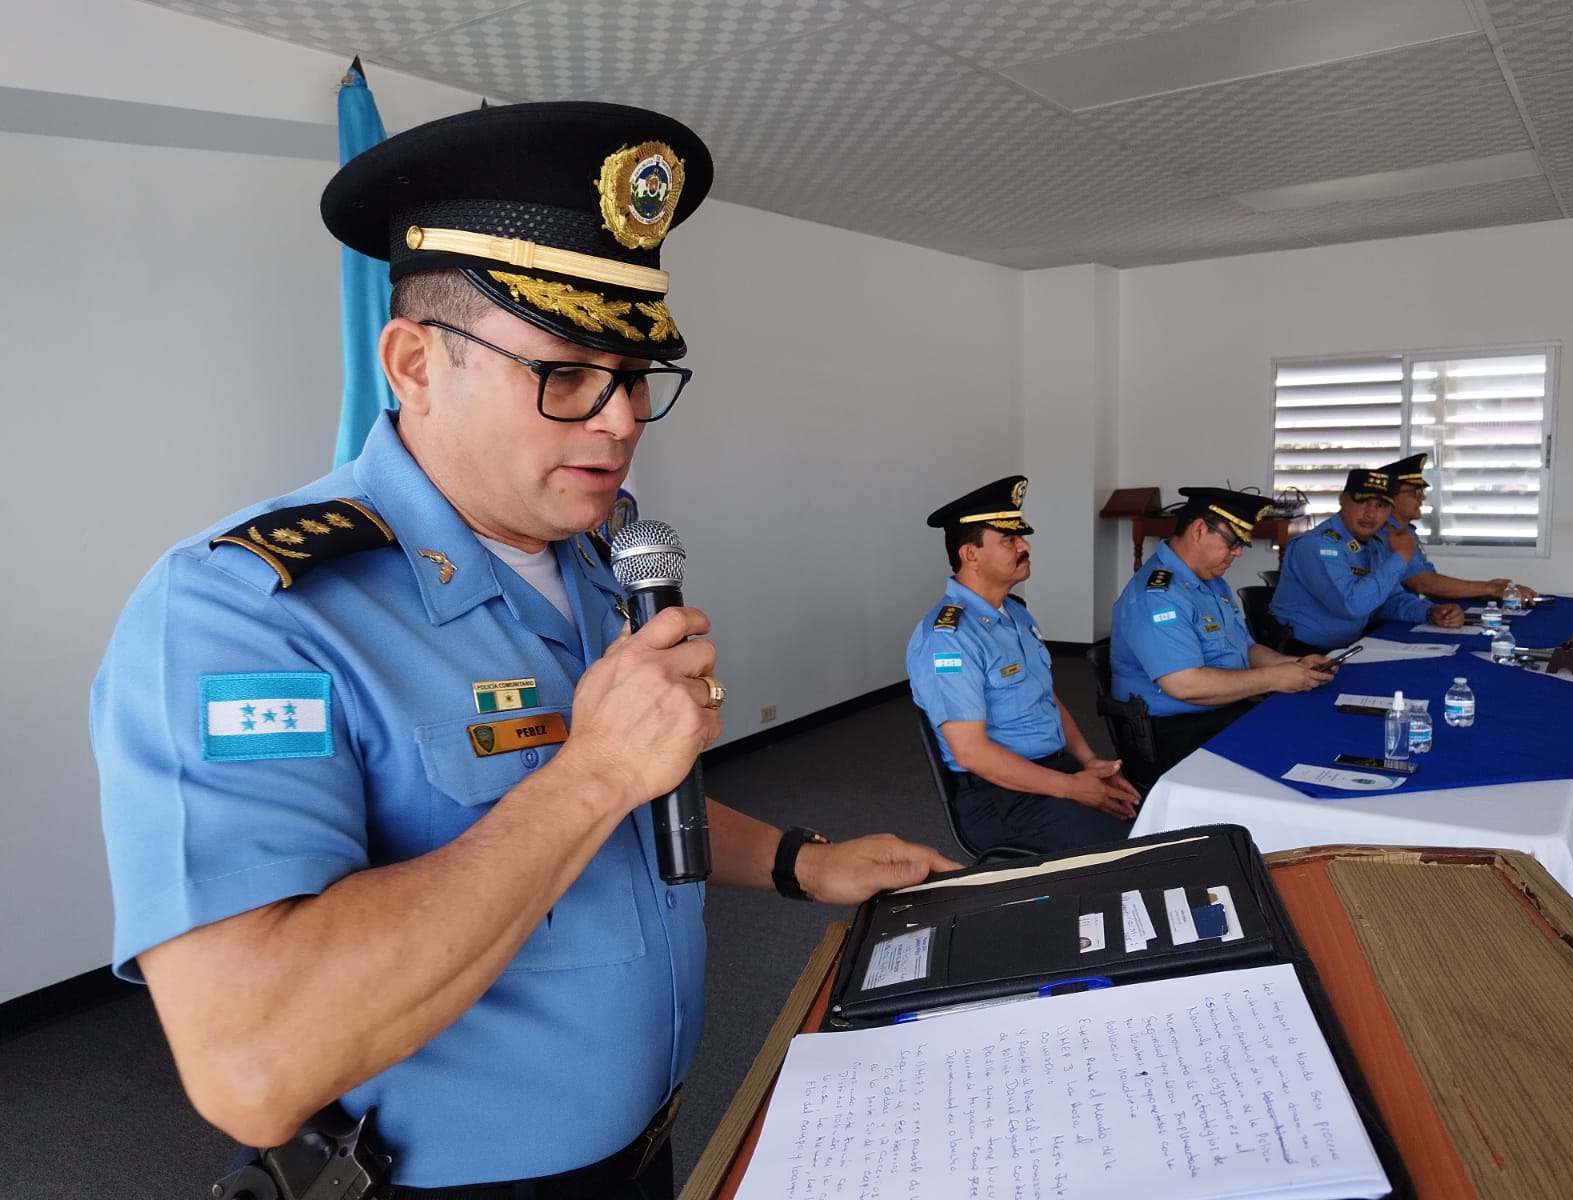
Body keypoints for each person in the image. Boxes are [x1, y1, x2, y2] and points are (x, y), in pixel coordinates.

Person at [89, 101, 960, 1197]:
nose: (617, 421)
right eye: (564, 373)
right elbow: (254, 1064)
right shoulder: (245, 612)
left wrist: (796, 860)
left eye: (637, 376)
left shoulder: (598, 556)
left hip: (652, 1142)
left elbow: (644, 803)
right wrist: (591, 770)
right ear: (412, 363)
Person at [906, 476, 1141, 855]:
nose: (1025, 545)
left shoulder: (1016, 614)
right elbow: (972, 753)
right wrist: (1072, 788)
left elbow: (1045, 698)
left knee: (1146, 815)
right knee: (1129, 848)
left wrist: (1088, 763)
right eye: (1009, 540)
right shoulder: (947, 637)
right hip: (999, 797)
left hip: (1051, 772)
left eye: (1021, 536)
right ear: (971, 555)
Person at [1109, 487, 1337, 780]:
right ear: (1199, 529)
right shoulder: (1158, 595)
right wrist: (1274, 679)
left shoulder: (1210, 580)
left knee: (1312, 723)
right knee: (1297, 752)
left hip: (1221, 712)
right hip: (1173, 731)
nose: (1237, 552)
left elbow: (1246, 648)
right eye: (1232, 542)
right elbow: (1185, 685)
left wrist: (1293, 665)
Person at [1269, 468, 1464, 654]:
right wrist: (1400, 556)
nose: (1371, 513)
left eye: (1381, 505)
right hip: (1301, 654)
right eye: (1363, 502)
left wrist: (1432, 612)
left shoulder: (1373, 544)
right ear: (1342, 499)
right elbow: (1352, 606)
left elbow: (1391, 600)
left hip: (1350, 647)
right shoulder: (1316, 545)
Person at [1377, 452, 1540, 603]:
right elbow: (1421, 583)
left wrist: (1487, 590)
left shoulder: (1407, 532)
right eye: (1415, 492)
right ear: (1390, 497)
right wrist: (1488, 588)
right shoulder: (1384, 534)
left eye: (1422, 491)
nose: (1423, 497)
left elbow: (1430, 580)